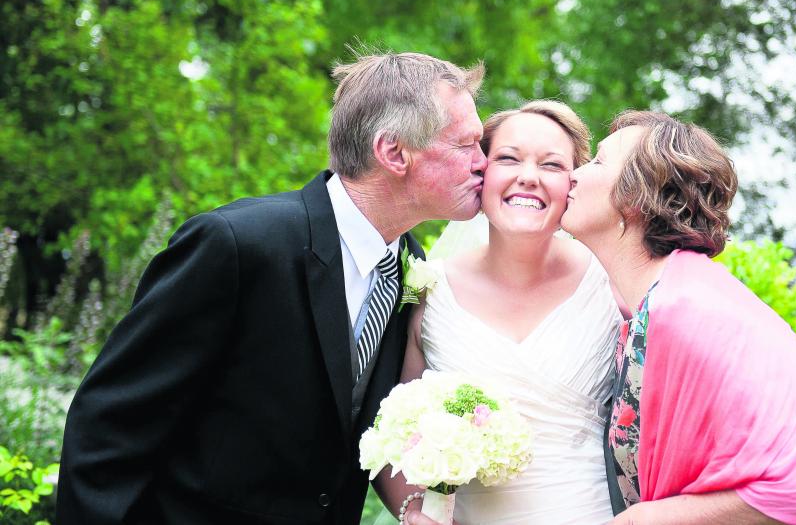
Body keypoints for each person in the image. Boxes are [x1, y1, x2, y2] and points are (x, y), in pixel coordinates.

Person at [57, 51, 488, 525]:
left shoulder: (411, 265)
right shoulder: (237, 245)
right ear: (393, 153)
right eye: (466, 145)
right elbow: (109, 426)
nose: (483, 164)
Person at [561, 110, 796, 525]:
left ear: (639, 195)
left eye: (598, 162)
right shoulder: (657, 305)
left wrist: (640, 521)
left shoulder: (690, 308)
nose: (574, 174)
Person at [377, 100, 621, 524]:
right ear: (480, 171)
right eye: (508, 158)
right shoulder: (430, 292)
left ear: (574, 184)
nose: (528, 177)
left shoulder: (612, 283)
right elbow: (389, 428)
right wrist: (412, 509)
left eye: (552, 165)